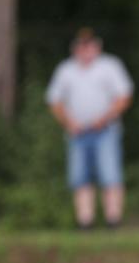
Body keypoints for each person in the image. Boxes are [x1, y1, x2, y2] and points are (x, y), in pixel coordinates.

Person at [46, 28, 133, 229]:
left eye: (89, 44)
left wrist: (104, 119)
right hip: (77, 133)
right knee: (80, 178)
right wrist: (69, 123)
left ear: (97, 46)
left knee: (110, 176)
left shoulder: (109, 66)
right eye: (81, 45)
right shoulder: (65, 70)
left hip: (106, 131)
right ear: (75, 48)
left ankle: (113, 220)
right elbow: (54, 101)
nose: (85, 49)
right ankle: (85, 222)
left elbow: (124, 96)